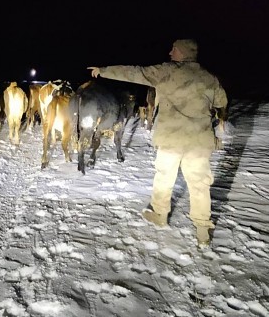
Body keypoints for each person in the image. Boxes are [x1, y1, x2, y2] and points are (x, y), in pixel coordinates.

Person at [87, 39, 227, 248]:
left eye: (174, 50)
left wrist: (104, 70)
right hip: (199, 140)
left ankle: (160, 214)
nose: (170, 53)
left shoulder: (166, 72)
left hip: (171, 138)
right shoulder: (209, 77)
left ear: (184, 53)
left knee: (164, 177)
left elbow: (134, 72)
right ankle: (202, 231)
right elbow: (221, 102)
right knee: (199, 185)